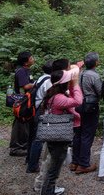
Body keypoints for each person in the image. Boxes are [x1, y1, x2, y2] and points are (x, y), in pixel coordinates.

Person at [40, 66, 83, 195]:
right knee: (53, 169)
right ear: (64, 83)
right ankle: (47, 192)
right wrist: (75, 84)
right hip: (59, 137)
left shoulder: (54, 93)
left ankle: (50, 190)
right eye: (68, 81)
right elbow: (78, 101)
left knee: (55, 167)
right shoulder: (59, 98)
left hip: (54, 135)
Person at [71, 52, 102, 174]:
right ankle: (83, 164)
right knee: (87, 134)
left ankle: (75, 162)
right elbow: (100, 91)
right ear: (95, 63)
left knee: (78, 133)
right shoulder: (94, 76)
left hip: (78, 105)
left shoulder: (80, 73)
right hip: (90, 107)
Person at [27, 60, 54, 173]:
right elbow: (50, 97)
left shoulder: (40, 78)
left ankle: (29, 159)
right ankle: (32, 166)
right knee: (39, 139)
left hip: (35, 109)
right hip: (42, 112)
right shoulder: (48, 81)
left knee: (33, 137)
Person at [9, 51, 35, 157]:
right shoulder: (21, 71)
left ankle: (23, 145)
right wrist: (38, 83)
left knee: (25, 122)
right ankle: (16, 148)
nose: (33, 59)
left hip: (26, 100)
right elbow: (25, 86)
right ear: (25, 62)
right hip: (21, 101)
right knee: (20, 122)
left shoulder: (27, 70)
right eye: (31, 57)